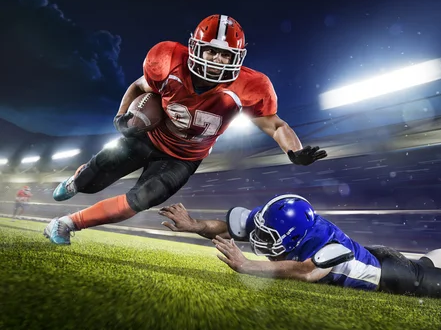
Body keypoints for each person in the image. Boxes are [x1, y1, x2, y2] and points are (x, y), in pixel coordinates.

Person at [43, 14, 327, 245]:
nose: (216, 60)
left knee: (139, 201)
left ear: (237, 58)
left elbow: (275, 125)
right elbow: (138, 86)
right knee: (92, 182)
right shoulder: (167, 61)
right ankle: (75, 182)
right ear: (195, 48)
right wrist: (121, 116)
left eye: (225, 55)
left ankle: (66, 224)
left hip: (184, 157)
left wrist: (295, 150)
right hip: (149, 136)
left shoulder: (251, 86)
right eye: (212, 51)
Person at [158, 187, 441, 300]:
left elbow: (306, 273)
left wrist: (247, 265)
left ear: (293, 237)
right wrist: (193, 225)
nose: (257, 240)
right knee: (430, 263)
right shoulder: (285, 222)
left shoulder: (322, 248)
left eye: (267, 237)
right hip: (380, 257)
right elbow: (232, 225)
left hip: (391, 275)